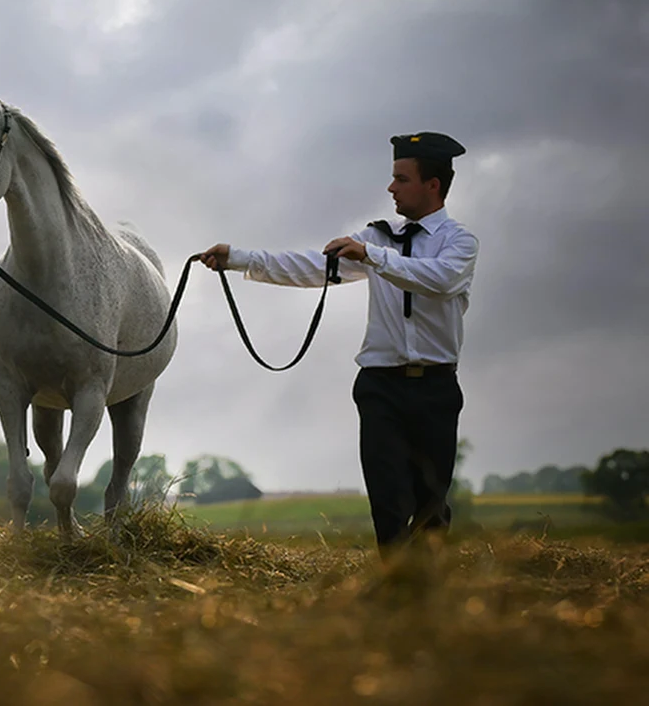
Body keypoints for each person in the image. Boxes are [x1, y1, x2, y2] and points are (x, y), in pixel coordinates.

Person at [198, 132, 479, 560]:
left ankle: (428, 599)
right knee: (387, 500)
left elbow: (439, 280)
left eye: (401, 179)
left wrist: (372, 257)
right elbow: (312, 266)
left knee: (431, 502)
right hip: (380, 385)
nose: (391, 188)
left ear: (432, 185)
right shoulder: (376, 237)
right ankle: (394, 589)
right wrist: (238, 257)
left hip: (436, 388)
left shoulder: (459, 243)